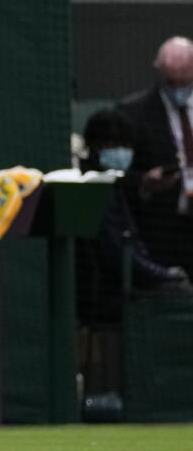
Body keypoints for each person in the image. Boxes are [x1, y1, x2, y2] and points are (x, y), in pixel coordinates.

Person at [74, 109, 191, 419]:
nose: (120, 151)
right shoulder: (91, 188)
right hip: (102, 304)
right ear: (94, 147)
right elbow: (118, 250)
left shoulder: (118, 185)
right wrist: (165, 276)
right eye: (112, 144)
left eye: (124, 144)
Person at [117, 36, 193, 275]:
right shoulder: (132, 113)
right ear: (159, 71)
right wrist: (146, 182)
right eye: (171, 82)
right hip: (162, 231)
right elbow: (118, 176)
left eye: (185, 81)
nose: (178, 90)